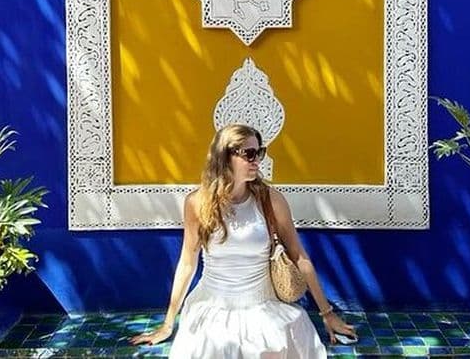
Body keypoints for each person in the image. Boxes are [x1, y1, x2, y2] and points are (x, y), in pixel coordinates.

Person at [130, 123, 357, 358]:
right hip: (213, 307)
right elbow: (188, 262)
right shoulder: (197, 203)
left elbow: (300, 256)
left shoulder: (271, 200)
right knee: (217, 346)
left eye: (259, 152)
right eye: (249, 153)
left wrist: (327, 314)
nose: (257, 160)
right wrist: (168, 323)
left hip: (264, 306)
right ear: (225, 156)